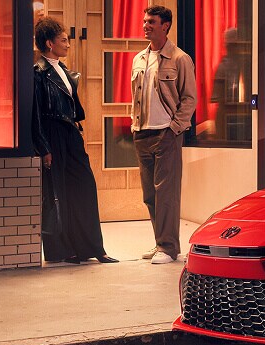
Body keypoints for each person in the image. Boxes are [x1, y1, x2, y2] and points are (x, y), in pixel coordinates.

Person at [30, 17, 116, 265]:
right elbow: (35, 114)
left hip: (69, 133)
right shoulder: (38, 73)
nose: (68, 44)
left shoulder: (64, 70)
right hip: (51, 133)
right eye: (63, 40)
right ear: (49, 43)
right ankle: (62, 250)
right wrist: (44, 148)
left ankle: (92, 247)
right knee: (57, 193)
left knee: (84, 187)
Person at [129, 5, 197, 265]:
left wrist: (174, 129)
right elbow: (135, 97)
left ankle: (168, 248)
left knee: (166, 192)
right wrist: (133, 123)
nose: (145, 25)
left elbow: (190, 99)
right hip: (142, 132)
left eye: (151, 22)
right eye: (144, 21)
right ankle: (161, 242)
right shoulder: (139, 59)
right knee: (150, 194)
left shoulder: (180, 58)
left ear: (165, 25)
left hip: (166, 133)